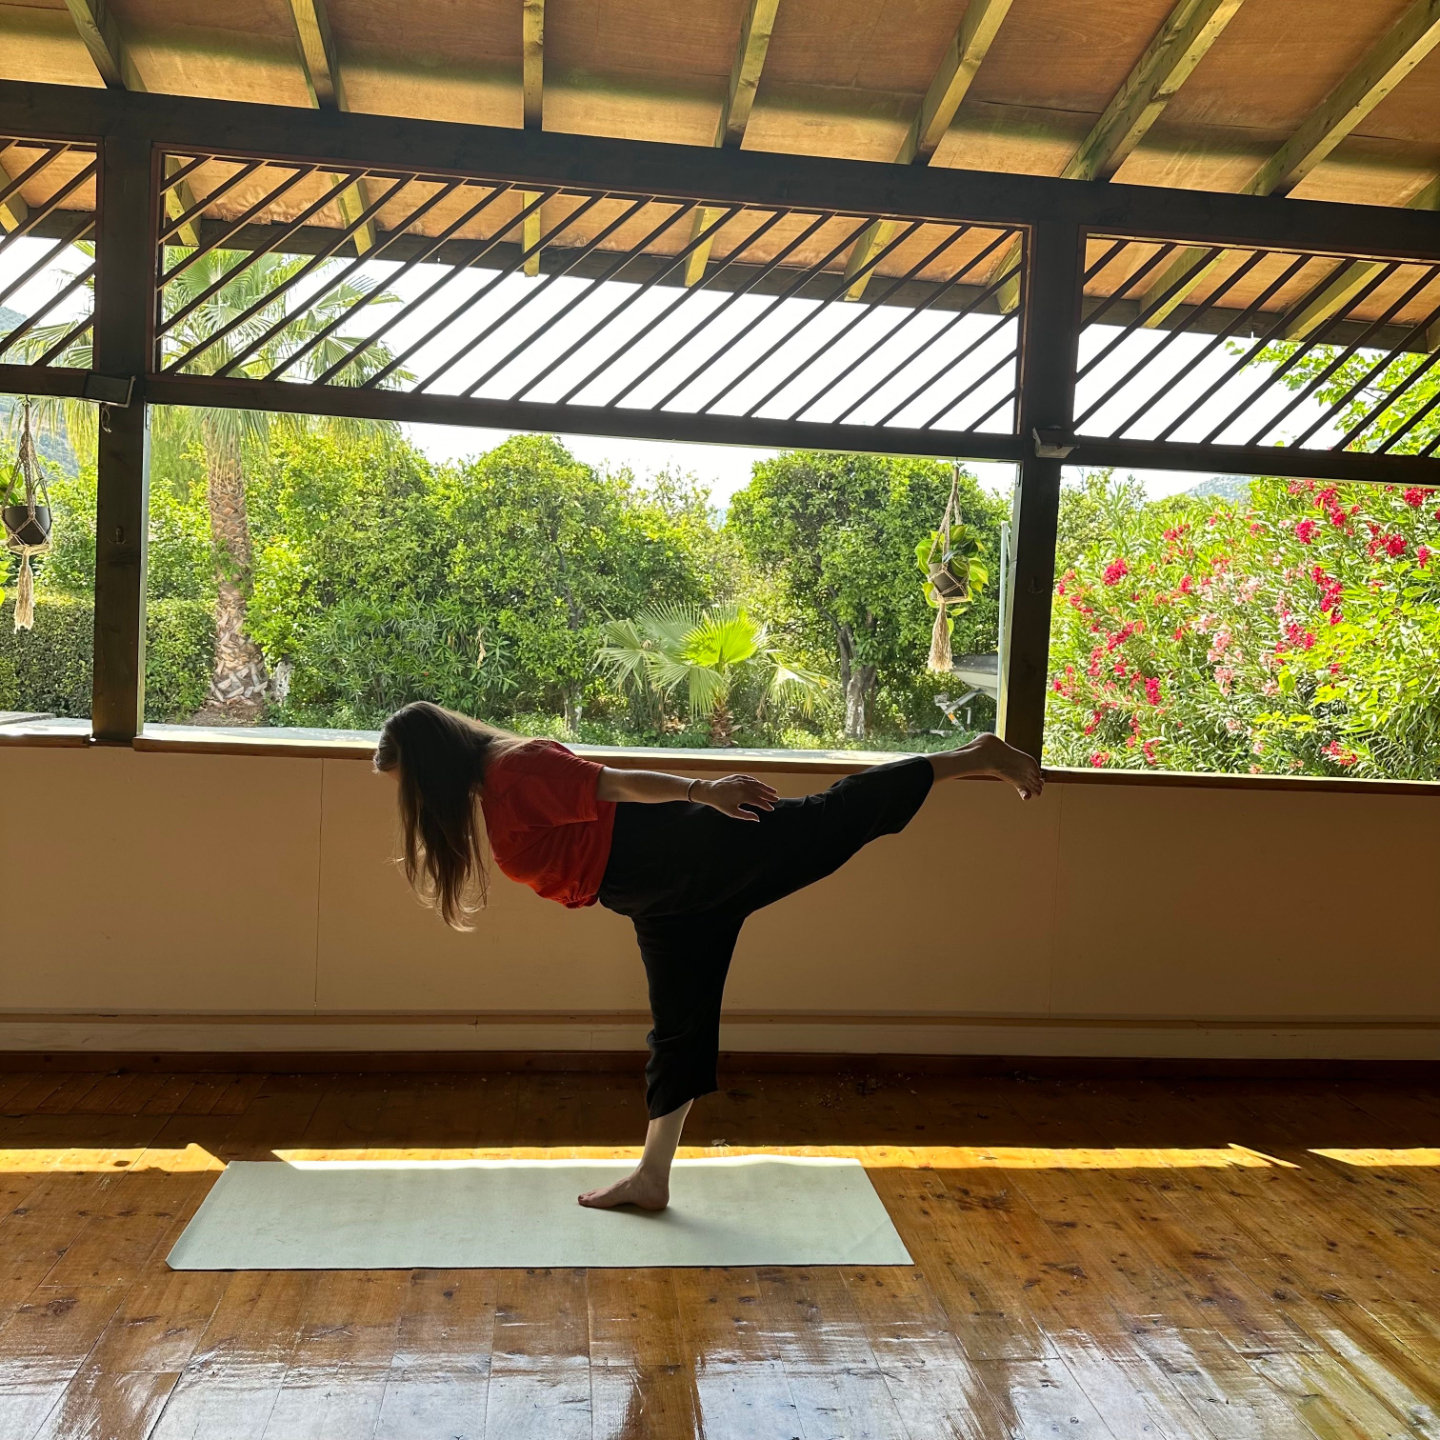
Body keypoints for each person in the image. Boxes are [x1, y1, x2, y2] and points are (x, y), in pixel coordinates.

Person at [374, 702, 1042, 1211]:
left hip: (689, 857)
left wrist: (703, 791)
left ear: (433, 763)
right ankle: (652, 1177)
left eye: (411, 783)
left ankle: (972, 755)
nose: (415, 798)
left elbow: (617, 784)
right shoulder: (493, 785)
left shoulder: (515, 770)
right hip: (661, 898)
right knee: (679, 1029)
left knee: (833, 816)